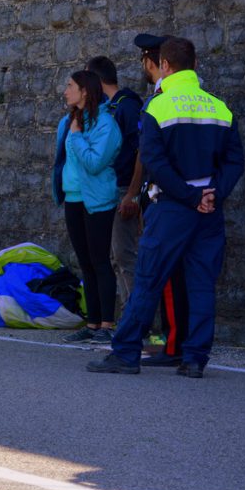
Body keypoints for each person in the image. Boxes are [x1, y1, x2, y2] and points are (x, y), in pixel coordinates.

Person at [88, 37, 244, 378]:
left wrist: (189, 197)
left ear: (166, 66)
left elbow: (155, 163)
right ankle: (194, 359)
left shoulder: (157, 107)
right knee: (202, 283)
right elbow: (235, 162)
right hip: (209, 209)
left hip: (173, 207)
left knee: (148, 279)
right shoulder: (220, 107)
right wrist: (212, 194)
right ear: (195, 65)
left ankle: (126, 353)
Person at [130, 33, 190, 367]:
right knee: (182, 274)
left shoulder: (161, 100)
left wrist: (136, 195)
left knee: (165, 275)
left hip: (166, 197)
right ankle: (179, 341)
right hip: (191, 196)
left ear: (155, 63)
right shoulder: (195, 97)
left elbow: (149, 155)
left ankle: (172, 344)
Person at [52, 70, 122, 344]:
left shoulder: (105, 124)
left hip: (97, 200)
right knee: (85, 263)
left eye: (70, 86)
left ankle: (107, 324)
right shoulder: (68, 121)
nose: (65, 90)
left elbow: (94, 163)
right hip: (73, 199)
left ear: (85, 91)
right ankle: (92, 324)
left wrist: (78, 137)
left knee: (100, 261)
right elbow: (62, 161)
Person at [85, 55, 143, 312]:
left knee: (124, 255)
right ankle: (127, 315)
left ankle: (137, 319)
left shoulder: (127, 107)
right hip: (106, 191)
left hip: (122, 190)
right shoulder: (106, 109)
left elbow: (142, 152)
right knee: (112, 256)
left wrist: (132, 194)